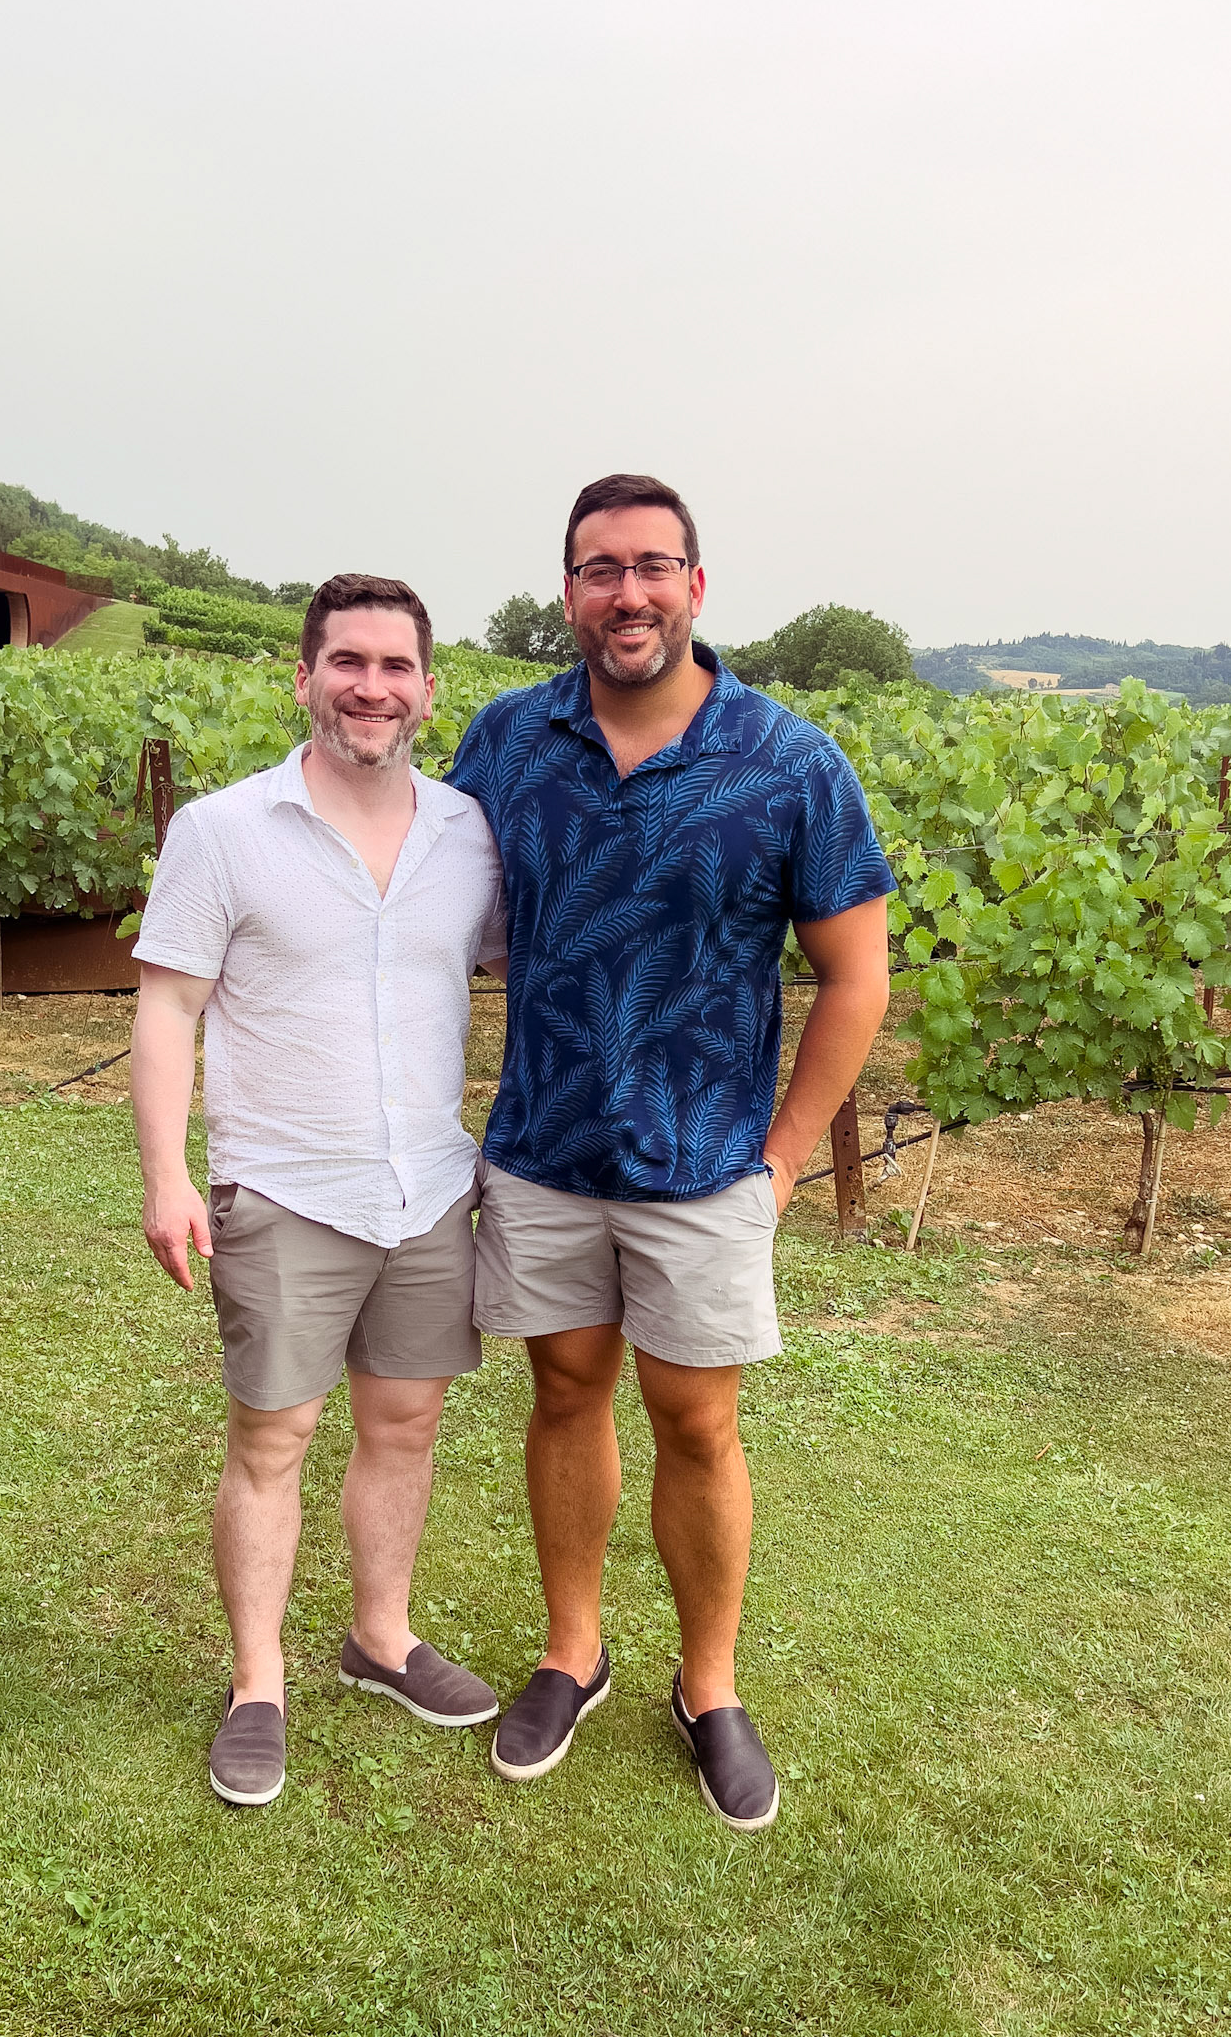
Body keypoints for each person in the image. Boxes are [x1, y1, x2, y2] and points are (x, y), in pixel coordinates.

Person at [447, 474, 895, 1830]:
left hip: (703, 1166)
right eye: (597, 569)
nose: (624, 592)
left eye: (651, 567)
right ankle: (571, 1652)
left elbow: (854, 975)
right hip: (540, 1151)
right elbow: (425, 913)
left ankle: (708, 1687)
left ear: (694, 587)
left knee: (696, 1423)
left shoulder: (787, 760)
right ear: (567, 593)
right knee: (564, 1399)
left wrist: (780, 1155)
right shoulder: (505, 743)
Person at [130, 573, 507, 1808]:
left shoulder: (468, 833)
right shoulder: (226, 831)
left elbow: (511, 969)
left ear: (427, 690)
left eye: (394, 666)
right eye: (347, 660)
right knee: (272, 1438)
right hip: (286, 1189)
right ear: (304, 676)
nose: (370, 686)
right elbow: (168, 1004)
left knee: (404, 1425)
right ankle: (256, 1684)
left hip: (427, 1189)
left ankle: (381, 1639)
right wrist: (167, 1175)